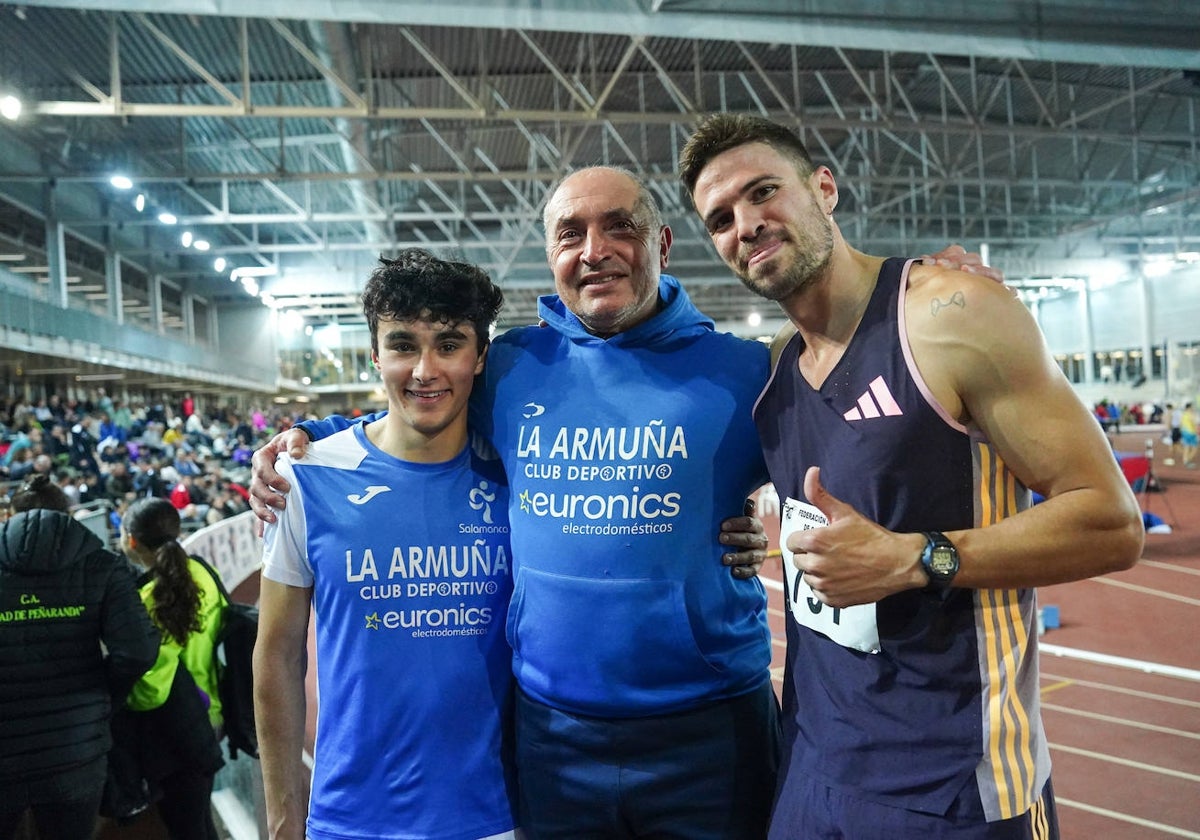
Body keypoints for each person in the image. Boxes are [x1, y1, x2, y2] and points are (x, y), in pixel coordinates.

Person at [251, 166, 992, 838]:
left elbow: (853, 360)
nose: (594, 249)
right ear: (551, 255)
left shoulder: (745, 371)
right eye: (571, 233)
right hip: (552, 738)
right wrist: (301, 438)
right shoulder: (510, 367)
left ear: (662, 243)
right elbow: (414, 406)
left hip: (710, 733)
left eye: (620, 227)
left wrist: (917, 290)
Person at [679, 113, 1145, 839]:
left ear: (824, 188)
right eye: (721, 218)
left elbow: (1112, 522)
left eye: (764, 191)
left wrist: (912, 558)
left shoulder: (949, 315)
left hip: (956, 784)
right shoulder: (776, 370)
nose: (747, 223)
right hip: (814, 765)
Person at [254, 249, 519, 839]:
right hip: (351, 819)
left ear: (480, 358)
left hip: (495, 818)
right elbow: (276, 655)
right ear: (376, 354)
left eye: (449, 344)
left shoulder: (521, 477)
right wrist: (281, 820)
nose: (425, 369)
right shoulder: (304, 476)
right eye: (403, 345)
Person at [0, 474, 158, 840]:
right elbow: (138, 651)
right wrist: (103, 696)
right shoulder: (102, 565)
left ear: (10, 513)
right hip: (76, 749)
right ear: (68, 514)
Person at [117, 496, 226, 840]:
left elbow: (151, 691)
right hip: (213, 715)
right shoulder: (202, 574)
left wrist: (117, 692)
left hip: (177, 731)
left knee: (187, 827)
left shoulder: (150, 597)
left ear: (131, 541)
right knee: (200, 822)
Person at [1181, 401, 1198, 469]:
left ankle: (1185, 460)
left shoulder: (1184, 414)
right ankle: (1188, 461)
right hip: (1191, 433)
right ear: (1189, 407)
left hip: (1184, 432)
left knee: (1186, 447)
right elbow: (1194, 423)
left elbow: (1181, 424)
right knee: (1195, 448)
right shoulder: (1191, 414)